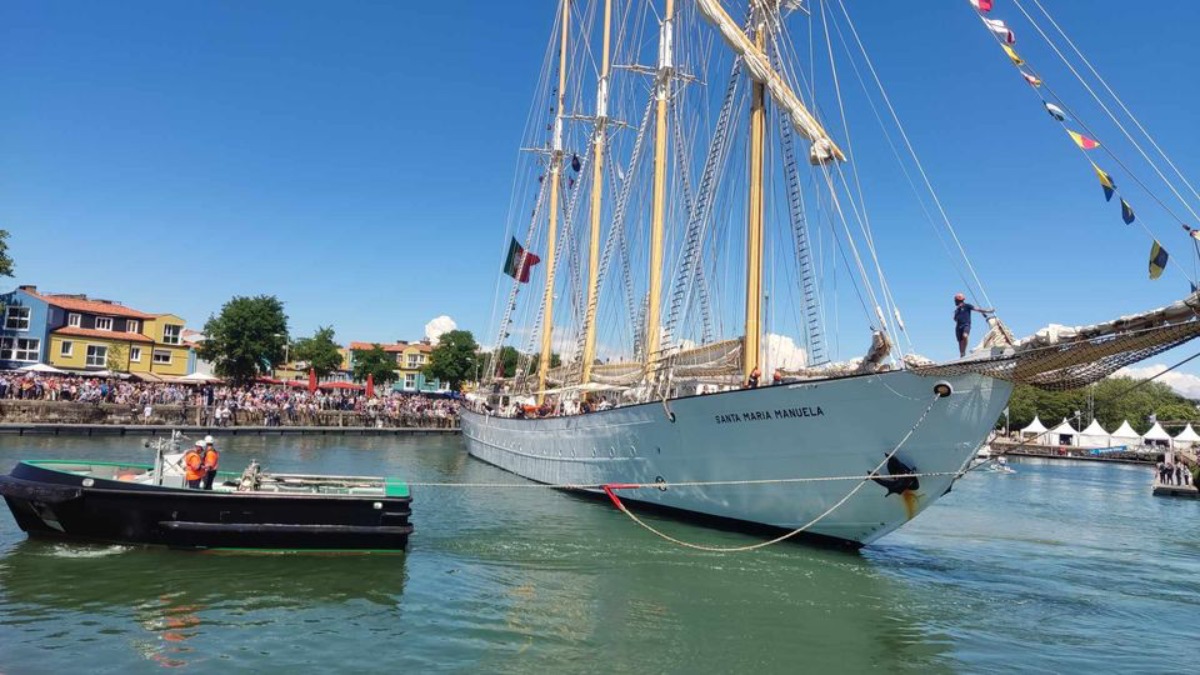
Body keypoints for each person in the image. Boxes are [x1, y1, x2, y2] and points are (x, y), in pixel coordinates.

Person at [953, 293, 994, 358]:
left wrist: (987, 311)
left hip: (966, 324)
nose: (955, 302)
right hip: (958, 327)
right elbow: (955, 319)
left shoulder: (967, 306)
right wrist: (956, 314)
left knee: (965, 336)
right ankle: (962, 355)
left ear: (958, 300)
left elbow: (977, 309)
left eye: (955, 300)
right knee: (960, 342)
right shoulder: (956, 310)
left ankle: (963, 352)